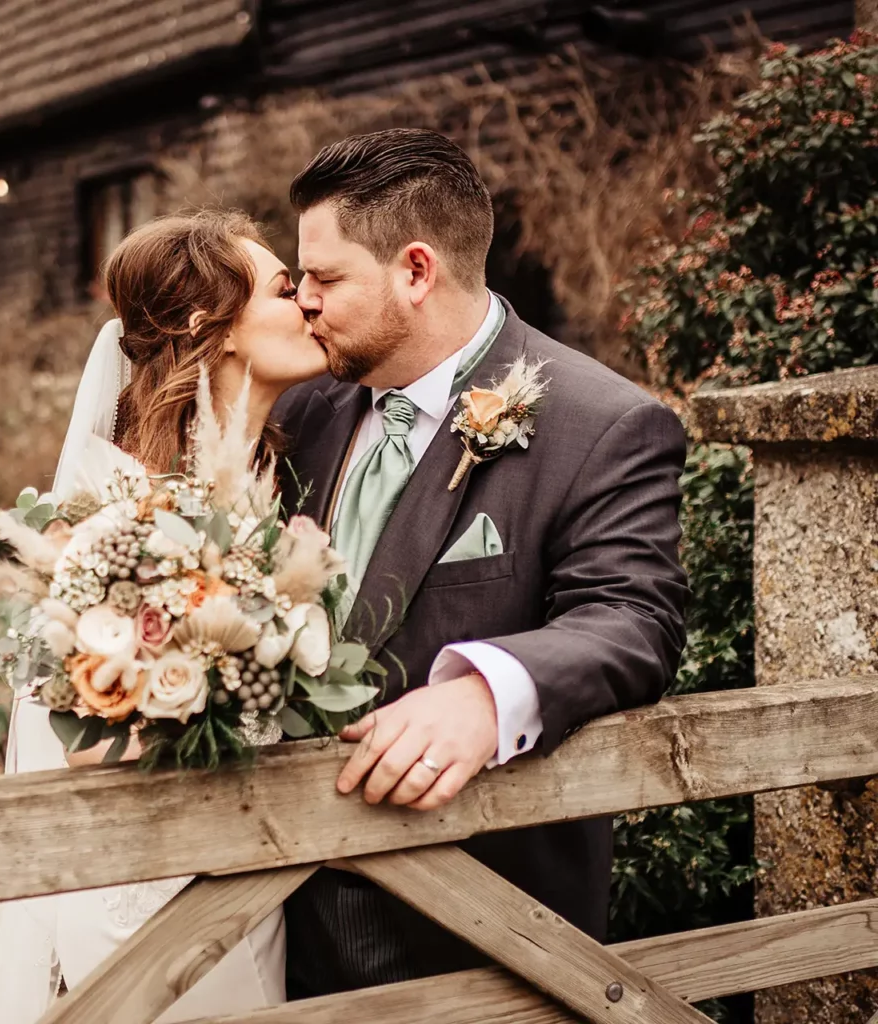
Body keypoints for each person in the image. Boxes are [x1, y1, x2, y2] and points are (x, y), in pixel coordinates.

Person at [272, 128, 689, 997]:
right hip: (277, 896)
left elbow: (633, 618)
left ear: (416, 271)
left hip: (478, 918)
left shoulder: (601, 423)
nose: (300, 299)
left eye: (326, 277)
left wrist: (486, 693)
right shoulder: (306, 410)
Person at [0, 210, 327, 1023]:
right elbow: (80, 744)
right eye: (284, 287)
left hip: (252, 880)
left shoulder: (274, 472)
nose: (308, 300)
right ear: (215, 325)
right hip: (147, 892)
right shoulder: (120, 509)